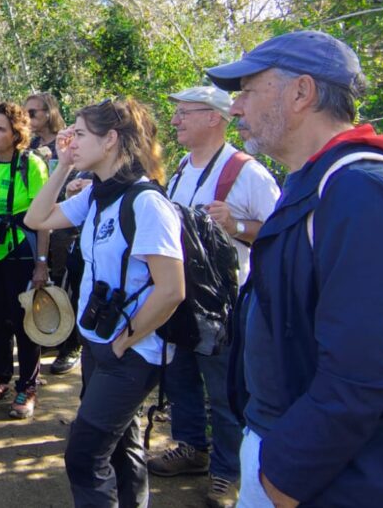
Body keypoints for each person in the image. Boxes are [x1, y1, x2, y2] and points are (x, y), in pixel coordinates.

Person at [206, 30, 383, 507]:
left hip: (320, 469)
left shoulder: (359, 191)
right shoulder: (316, 180)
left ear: (301, 92)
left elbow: (363, 370)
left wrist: (288, 472)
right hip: (284, 444)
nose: (235, 108)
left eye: (247, 90)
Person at [25, 97, 185, 508]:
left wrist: (122, 343)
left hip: (131, 352)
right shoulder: (98, 195)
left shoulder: (145, 203)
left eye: (79, 135)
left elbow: (171, 289)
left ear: (111, 139)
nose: (71, 141)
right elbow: (37, 219)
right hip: (99, 343)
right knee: (120, 446)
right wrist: (62, 165)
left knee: (83, 454)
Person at [146, 86, 279, 508]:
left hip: (226, 306)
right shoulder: (184, 167)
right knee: (180, 376)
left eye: (185, 113)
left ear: (214, 118)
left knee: (223, 392)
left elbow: (279, 234)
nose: (176, 120)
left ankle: (228, 473)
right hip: (184, 297)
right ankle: (191, 447)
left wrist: (237, 227)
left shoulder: (247, 172)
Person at [0, 102, 51, 418]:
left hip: (20, 254)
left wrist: (41, 263)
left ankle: (27, 386)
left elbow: (42, 218)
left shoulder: (31, 166)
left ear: (17, 134)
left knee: (24, 321)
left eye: (0, 128)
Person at [25, 91, 83, 376]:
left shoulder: (67, 141)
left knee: (65, 286)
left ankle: (70, 346)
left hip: (66, 225)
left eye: (33, 113)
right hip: (40, 222)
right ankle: (52, 334)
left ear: (49, 112)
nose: (28, 118)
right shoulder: (30, 145)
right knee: (42, 282)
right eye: (25, 113)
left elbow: (80, 175)